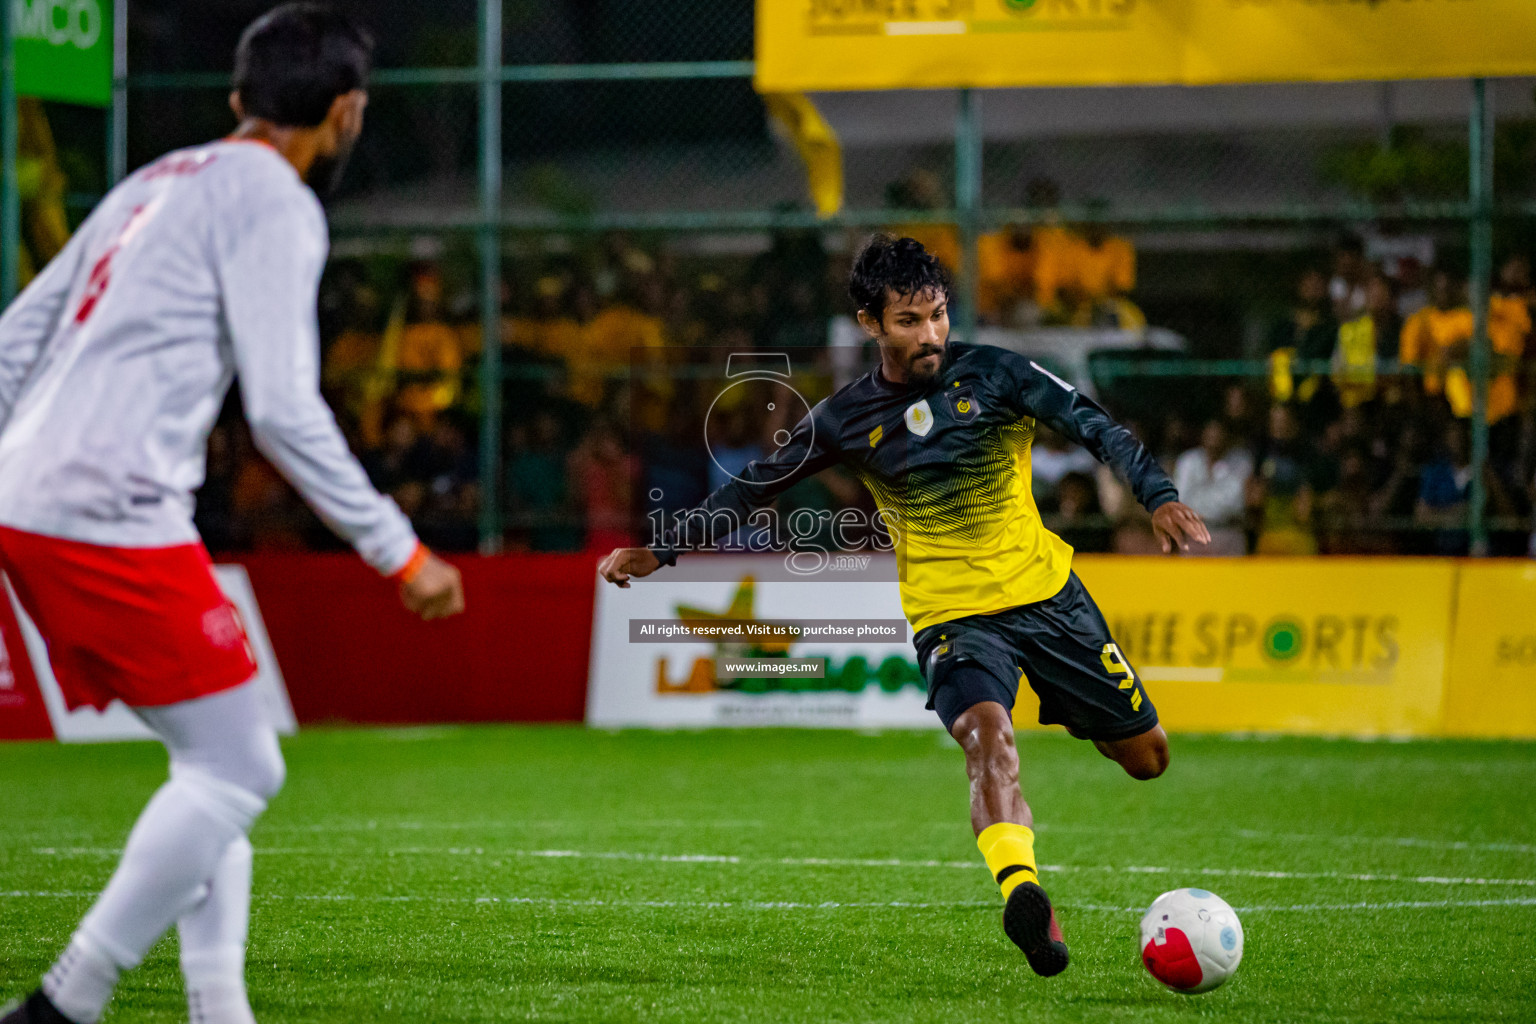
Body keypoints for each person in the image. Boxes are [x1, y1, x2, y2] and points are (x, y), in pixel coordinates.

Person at [0, 8, 466, 1024]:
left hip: (35, 496)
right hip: (106, 505)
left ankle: (220, 1011)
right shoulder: (277, 202)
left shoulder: (155, 182)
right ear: (344, 112)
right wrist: (401, 550)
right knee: (239, 764)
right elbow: (284, 408)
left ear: (237, 102)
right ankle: (67, 1002)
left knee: (215, 760)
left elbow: (12, 340)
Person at [597, 235, 1210, 977]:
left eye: (938, 316)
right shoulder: (845, 418)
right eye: (910, 321)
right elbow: (751, 487)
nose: (929, 335)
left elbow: (1093, 425)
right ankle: (1023, 894)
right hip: (952, 617)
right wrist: (661, 548)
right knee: (988, 741)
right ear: (870, 324)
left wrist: (1160, 496)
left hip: (1049, 598)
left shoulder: (996, 373)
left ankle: (1078, 710)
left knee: (1148, 759)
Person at [1172, 420, 1251, 556]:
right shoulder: (1188, 461)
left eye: (1219, 433)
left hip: (1228, 532)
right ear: (1203, 434)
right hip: (1193, 535)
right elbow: (1181, 500)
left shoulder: (1241, 462)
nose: (1214, 438)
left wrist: (1200, 505)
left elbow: (1236, 502)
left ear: (1227, 436)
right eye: (1211, 433)